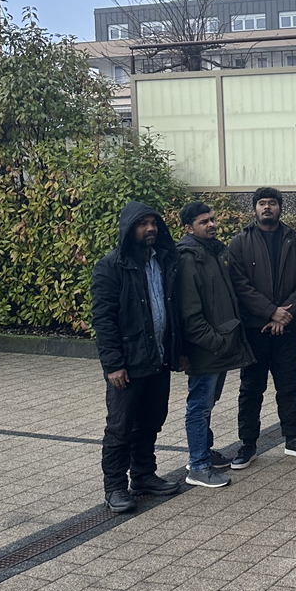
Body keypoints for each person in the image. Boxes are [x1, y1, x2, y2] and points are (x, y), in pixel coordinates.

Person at [91, 201, 183, 514]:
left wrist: (177, 350)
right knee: (120, 427)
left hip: (159, 359)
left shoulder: (164, 261)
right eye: (143, 224)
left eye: (153, 223)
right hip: (128, 364)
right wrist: (113, 364)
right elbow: (103, 320)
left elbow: (173, 310)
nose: (150, 229)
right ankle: (114, 486)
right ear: (129, 229)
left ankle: (143, 476)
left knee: (151, 421)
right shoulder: (111, 266)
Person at [228, 187, 296, 467]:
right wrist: (270, 312)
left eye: (272, 203)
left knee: (290, 385)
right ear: (254, 208)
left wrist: (284, 314)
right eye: (262, 203)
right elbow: (240, 285)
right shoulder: (240, 243)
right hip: (255, 330)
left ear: (280, 208)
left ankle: (293, 438)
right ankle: (248, 445)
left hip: (288, 328)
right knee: (251, 388)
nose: (267, 208)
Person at [176, 201, 255, 489]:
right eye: (203, 222)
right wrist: (217, 343)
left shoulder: (210, 253)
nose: (211, 224)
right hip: (208, 348)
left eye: (211, 219)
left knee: (208, 404)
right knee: (199, 405)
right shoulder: (188, 259)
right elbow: (190, 314)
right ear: (188, 228)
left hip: (219, 346)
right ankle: (197, 465)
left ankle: (204, 452)